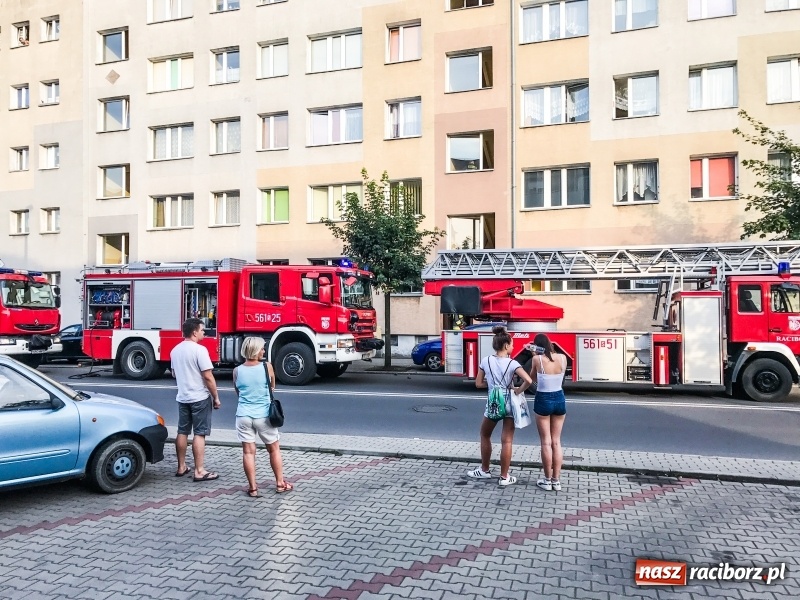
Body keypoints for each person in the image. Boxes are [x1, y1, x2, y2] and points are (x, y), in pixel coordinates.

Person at [468, 326, 532, 486]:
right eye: (512, 344)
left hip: (494, 402)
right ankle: (504, 477)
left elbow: (478, 384)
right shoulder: (512, 363)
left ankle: (484, 470)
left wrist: (492, 386)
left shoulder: (485, 361)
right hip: (509, 401)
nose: (514, 346)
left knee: (485, 434)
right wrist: (517, 390)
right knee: (507, 440)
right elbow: (529, 381)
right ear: (506, 346)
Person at [233, 337, 293, 497]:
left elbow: (238, 392)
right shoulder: (267, 367)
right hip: (264, 416)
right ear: (254, 350)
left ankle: (252, 488)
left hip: (243, 416)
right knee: (273, 449)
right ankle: (280, 484)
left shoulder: (237, 370)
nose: (264, 351)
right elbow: (272, 387)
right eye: (262, 349)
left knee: (248, 452)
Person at [170, 318, 221, 482]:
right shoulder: (200, 350)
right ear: (194, 332)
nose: (203, 332)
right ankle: (199, 471)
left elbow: (174, 374)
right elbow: (208, 376)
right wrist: (216, 397)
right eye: (202, 330)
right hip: (199, 397)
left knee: (182, 431)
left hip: (183, 397)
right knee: (199, 433)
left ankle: (181, 467)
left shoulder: (175, 351)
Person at [529, 333, 567, 492]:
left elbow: (531, 379)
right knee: (556, 442)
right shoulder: (563, 358)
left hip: (543, 398)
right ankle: (556, 481)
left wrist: (534, 356)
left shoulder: (537, 360)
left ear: (537, 346)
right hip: (559, 397)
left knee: (546, 442)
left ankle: (547, 480)